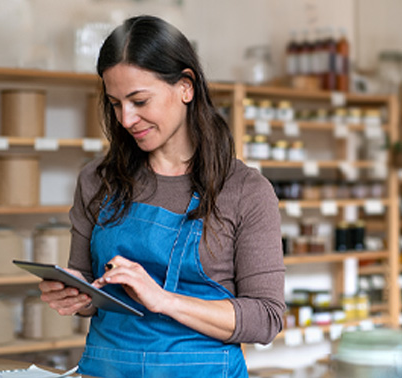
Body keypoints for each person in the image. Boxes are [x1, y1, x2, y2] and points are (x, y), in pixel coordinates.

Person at [39, 15, 285, 378]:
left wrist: (163, 300)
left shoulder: (245, 191)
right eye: (115, 103)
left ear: (185, 87)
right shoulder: (97, 180)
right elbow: (89, 288)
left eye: (139, 100)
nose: (125, 118)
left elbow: (266, 317)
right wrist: (76, 296)